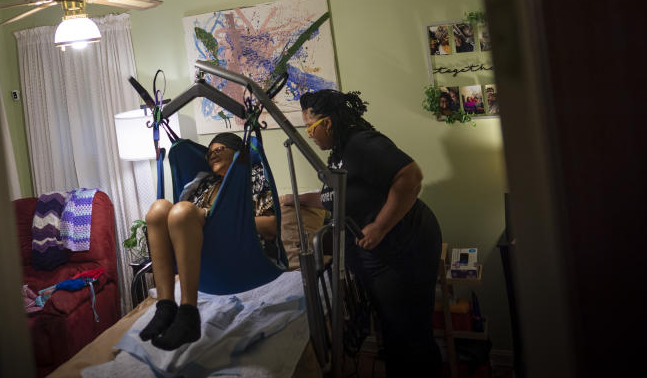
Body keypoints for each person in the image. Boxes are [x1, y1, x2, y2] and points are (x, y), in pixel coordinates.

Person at [300, 90, 443, 377]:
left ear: (327, 123)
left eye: (310, 127)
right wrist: (298, 199)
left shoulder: (360, 143)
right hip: (381, 254)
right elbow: (340, 195)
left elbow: (411, 176)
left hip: (405, 246)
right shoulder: (340, 152)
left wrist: (380, 226)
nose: (310, 135)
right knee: (392, 328)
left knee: (408, 330)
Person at [138, 132, 278, 350]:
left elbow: (271, 226)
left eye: (219, 149)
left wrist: (217, 220)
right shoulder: (204, 185)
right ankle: (165, 306)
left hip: (243, 252)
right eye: (210, 153)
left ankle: (188, 313)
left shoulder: (253, 176)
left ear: (237, 152)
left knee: (183, 211)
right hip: (200, 255)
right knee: (157, 211)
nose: (212, 155)